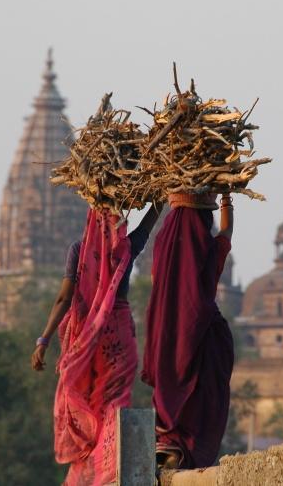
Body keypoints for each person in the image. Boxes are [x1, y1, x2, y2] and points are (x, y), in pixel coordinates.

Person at [31, 203, 163, 485]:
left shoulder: (79, 251)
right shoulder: (125, 246)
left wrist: (44, 339)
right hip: (120, 340)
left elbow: (63, 299)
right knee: (114, 406)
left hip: (88, 340)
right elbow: (149, 223)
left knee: (89, 405)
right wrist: (158, 198)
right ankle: (109, 474)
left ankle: (93, 476)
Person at [141, 192, 235, 470]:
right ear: (205, 220)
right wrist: (227, 197)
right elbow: (227, 232)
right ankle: (185, 450)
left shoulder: (162, 243)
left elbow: (158, 282)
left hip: (167, 328)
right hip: (203, 331)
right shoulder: (206, 244)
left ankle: (167, 442)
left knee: (172, 375)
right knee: (204, 388)